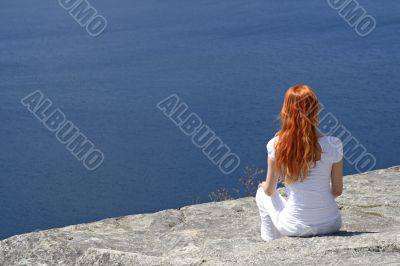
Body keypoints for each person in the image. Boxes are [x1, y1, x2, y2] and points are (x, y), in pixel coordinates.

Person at [256, 85, 343, 241]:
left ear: (286, 111)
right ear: (315, 110)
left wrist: (264, 186)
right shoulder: (334, 144)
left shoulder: (276, 145)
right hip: (331, 223)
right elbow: (337, 190)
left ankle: (271, 244)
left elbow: (270, 191)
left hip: (295, 226)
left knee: (262, 193)